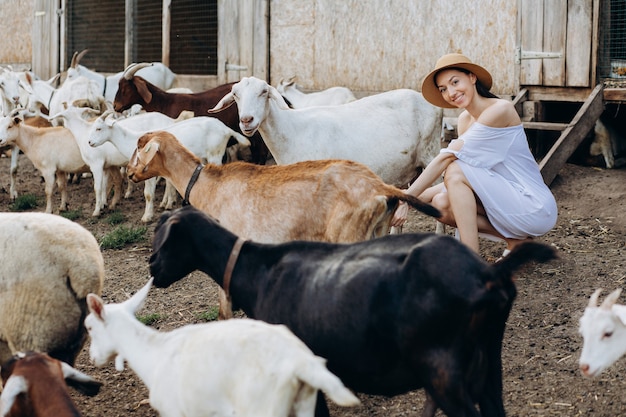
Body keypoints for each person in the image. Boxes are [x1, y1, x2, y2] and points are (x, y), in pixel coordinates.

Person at [391, 53, 557, 257]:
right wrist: (401, 199)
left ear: (472, 77)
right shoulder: (464, 120)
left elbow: (448, 161)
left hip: (533, 205)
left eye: (455, 82)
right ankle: (517, 242)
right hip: (506, 197)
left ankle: (470, 262)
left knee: (453, 168)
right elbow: (467, 177)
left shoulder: (500, 109)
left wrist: (407, 199)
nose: (451, 92)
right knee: (441, 204)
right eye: (443, 89)